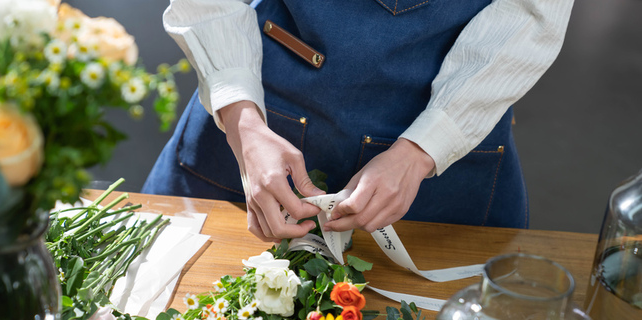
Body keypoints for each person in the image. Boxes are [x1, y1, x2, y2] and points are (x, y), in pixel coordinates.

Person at [143, 0, 574, 242]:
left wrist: (422, 151)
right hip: (260, 114)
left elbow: (531, 15)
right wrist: (245, 128)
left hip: (452, 148)